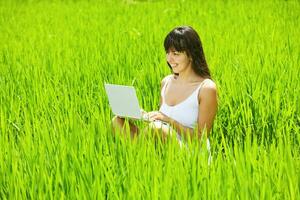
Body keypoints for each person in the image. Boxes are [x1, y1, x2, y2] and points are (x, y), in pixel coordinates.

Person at [112, 26, 218, 145]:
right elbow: (161, 122)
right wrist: (143, 115)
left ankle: (137, 155)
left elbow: (201, 137)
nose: (169, 59)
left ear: (191, 55)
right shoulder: (166, 82)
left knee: (156, 129)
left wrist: (169, 121)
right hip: (164, 146)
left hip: (191, 152)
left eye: (175, 54)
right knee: (118, 122)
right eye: (167, 53)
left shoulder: (206, 88)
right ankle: (139, 156)